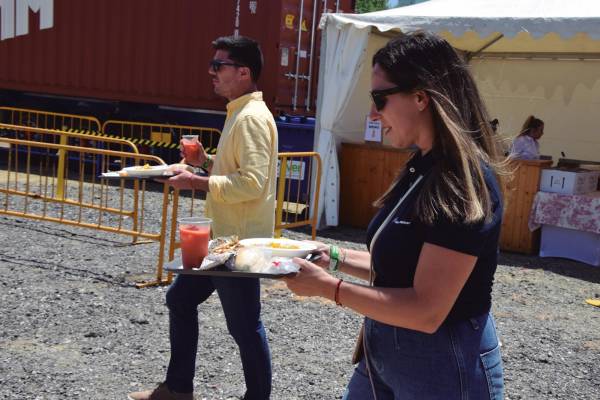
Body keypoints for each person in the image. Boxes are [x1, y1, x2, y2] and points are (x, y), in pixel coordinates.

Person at [283, 31, 505, 400]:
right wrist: (332, 257)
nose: (373, 114)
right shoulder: (423, 164)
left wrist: (328, 287)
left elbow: (426, 309)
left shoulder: (462, 181)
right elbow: (398, 266)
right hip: (386, 350)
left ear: (420, 97)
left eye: (379, 99)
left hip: (443, 365)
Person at [128, 36, 278, 400]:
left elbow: (253, 184)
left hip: (238, 244)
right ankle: (178, 388)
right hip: (223, 240)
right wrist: (204, 163)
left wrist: (197, 180)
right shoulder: (239, 112)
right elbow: (237, 172)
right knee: (180, 299)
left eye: (219, 65)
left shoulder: (251, 118)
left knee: (244, 327)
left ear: (243, 72)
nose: (211, 72)